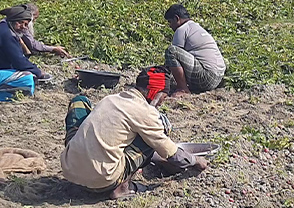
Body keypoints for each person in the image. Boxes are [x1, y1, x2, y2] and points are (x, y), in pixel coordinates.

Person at [60, 70, 208, 199]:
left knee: (80, 102)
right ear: (156, 94)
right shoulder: (144, 113)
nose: (163, 101)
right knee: (159, 131)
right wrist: (195, 160)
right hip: (102, 181)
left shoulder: (111, 99)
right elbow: (172, 154)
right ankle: (122, 189)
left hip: (70, 171)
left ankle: (76, 151)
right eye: (163, 96)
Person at [163, 4, 225, 96]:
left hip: (206, 77)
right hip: (218, 77)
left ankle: (182, 89)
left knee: (172, 51)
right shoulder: (196, 27)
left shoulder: (181, 30)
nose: (170, 26)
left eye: (170, 22)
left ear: (177, 19)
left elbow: (173, 59)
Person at [0, 5, 50, 100]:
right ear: (13, 21)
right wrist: (38, 72)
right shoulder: (7, 35)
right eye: (20, 23)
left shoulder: (4, 28)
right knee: (27, 78)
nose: (23, 27)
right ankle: (7, 96)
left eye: (26, 24)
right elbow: (19, 62)